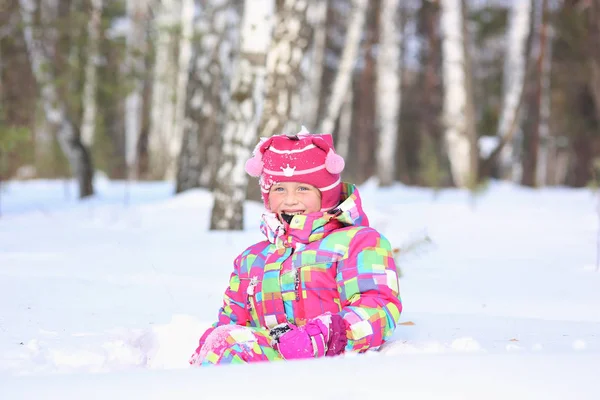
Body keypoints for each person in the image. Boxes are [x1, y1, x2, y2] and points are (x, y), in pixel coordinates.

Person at [189, 129, 402, 366]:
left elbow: (380, 308)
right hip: (268, 366)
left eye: (303, 188)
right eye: (279, 189)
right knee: (223, 341)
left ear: (327, 196)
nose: (290, 200)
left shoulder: (358, 243)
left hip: (336, 365)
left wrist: (323, 336)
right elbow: (232, 322)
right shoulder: (251, 259)